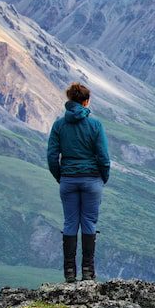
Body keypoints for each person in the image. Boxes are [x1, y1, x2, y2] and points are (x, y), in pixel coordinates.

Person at [46, 82, 110, 282]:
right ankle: (88, 272)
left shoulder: (59, 125)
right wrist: (103, 177)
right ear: (86, 101)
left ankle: (69, 272)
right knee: (89, 222)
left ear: (70, 100)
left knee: (70, 222)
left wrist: (61, 176)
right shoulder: (95, 125)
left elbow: (51, 156)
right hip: (92, 180)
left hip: (68, 180)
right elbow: (103, 157)